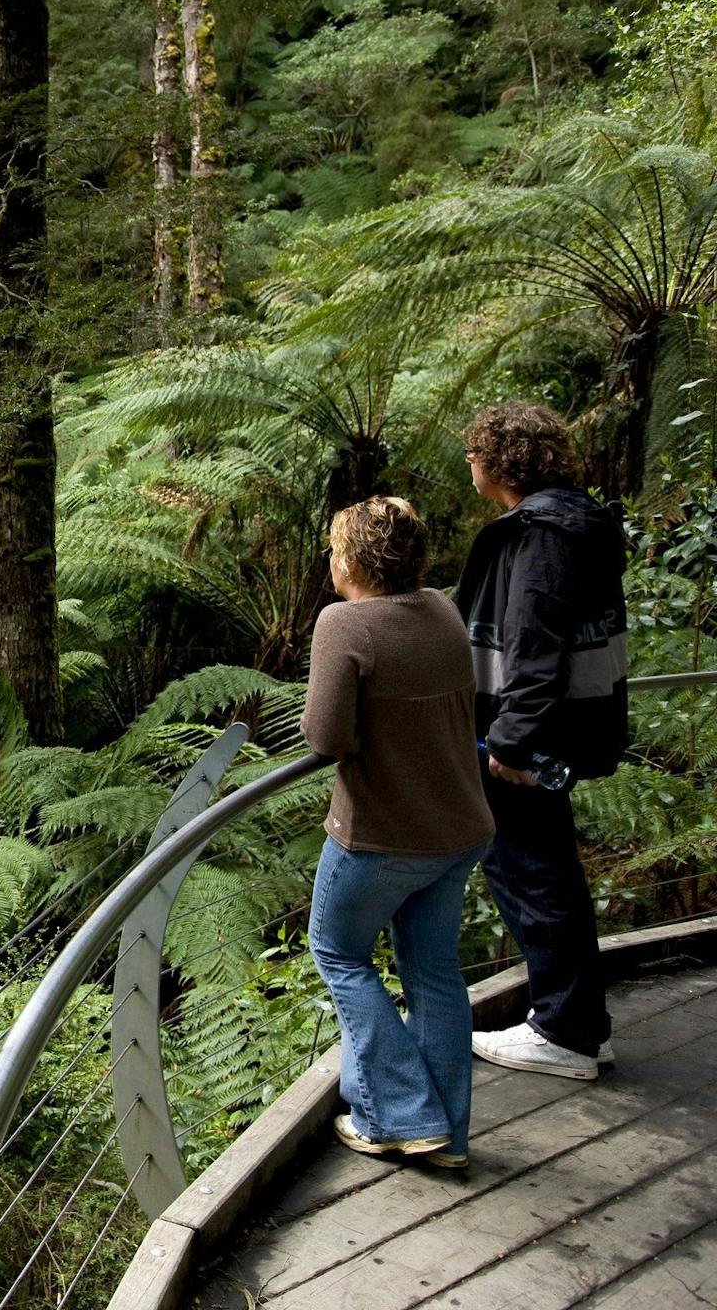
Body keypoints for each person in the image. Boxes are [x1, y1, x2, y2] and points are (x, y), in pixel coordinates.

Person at [302, 497, 493, 1169]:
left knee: (339, 954)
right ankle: (448, 1136)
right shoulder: (439, 608)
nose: (330, 561)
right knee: (435, 972)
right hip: (461, 825)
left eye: (332, 550)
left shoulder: (345, 623)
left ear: (351, 560)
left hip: (382, 837)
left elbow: (325, 737)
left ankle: (397, 1117)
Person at [457, 401, 629, 1080]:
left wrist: (512, 740)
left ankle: (565, 1031)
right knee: (548, 869)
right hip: (564, 726)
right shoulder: (575, 523)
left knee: (532, 874)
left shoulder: (541, 535)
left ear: (500, 463)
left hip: (531, 738)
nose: (469, 465)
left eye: (474, 454)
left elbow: (533, 645)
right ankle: (579, 1022)